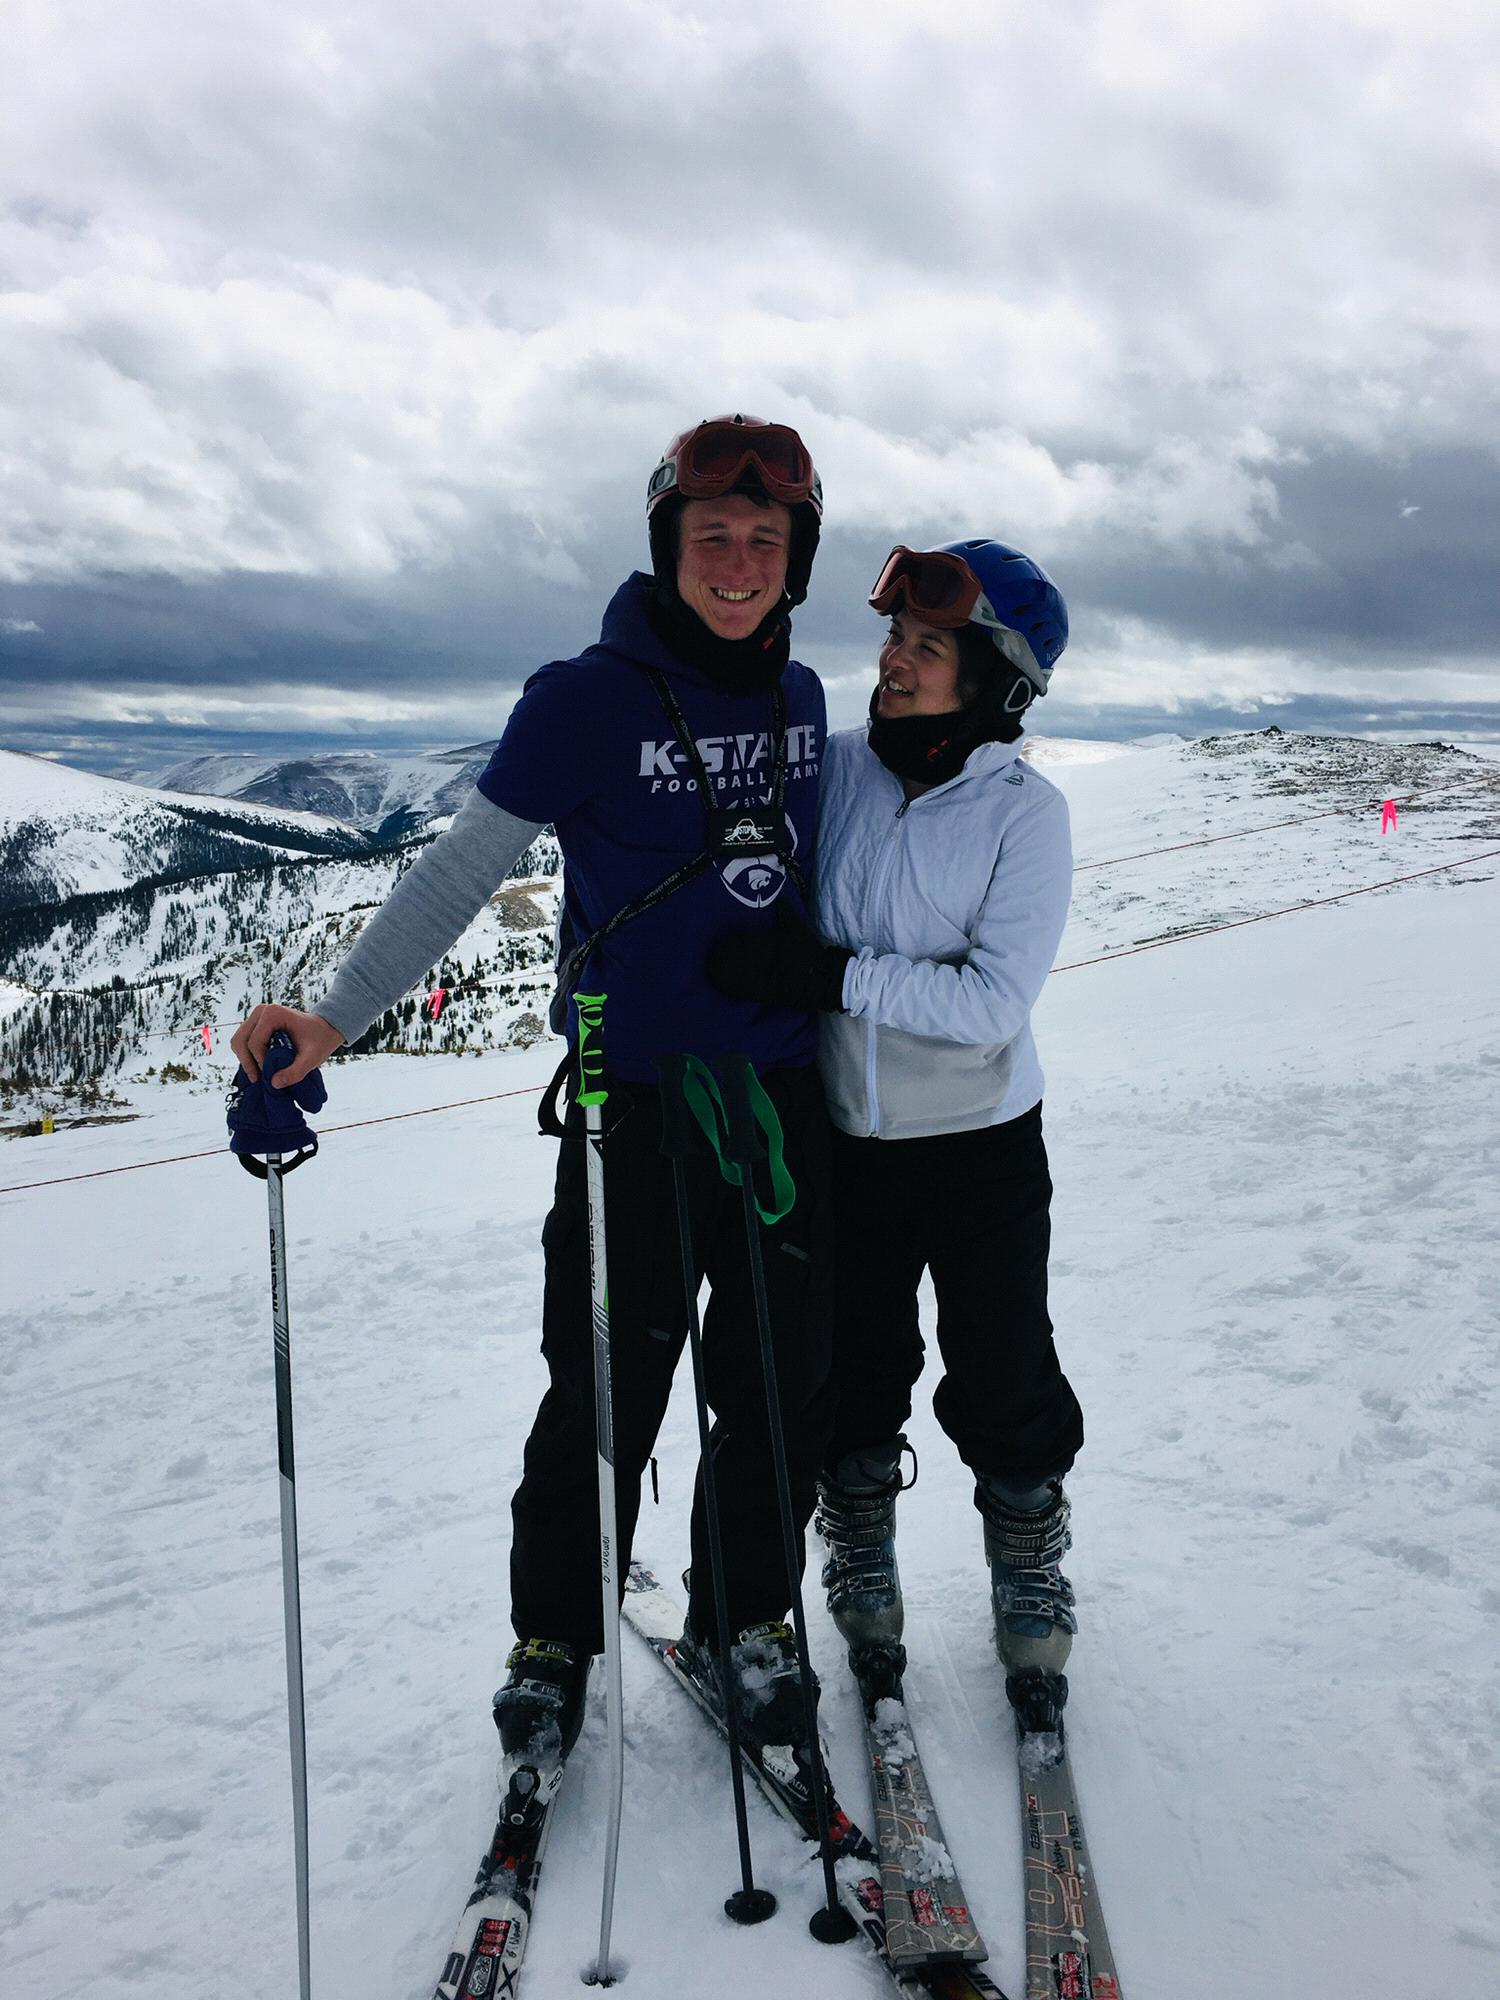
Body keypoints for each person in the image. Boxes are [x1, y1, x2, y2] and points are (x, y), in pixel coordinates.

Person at [231, 415, 843, 1801]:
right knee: (606, 1387)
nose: (739, 563)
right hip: (633, 1105)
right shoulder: (586, 699)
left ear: (796, 556)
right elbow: (457, 874)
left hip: (782, 1102)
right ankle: (553, 1641)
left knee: (771, 1388)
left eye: (765, 539)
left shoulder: (803, 701)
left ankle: (749, 1616)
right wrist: (332, 1016)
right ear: (667, 550)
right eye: (712, 539)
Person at [707, 538, 1081, 1712]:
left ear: (995, 682)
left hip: (980, 1149)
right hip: (844, 1145)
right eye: (896, 640)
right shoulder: (843, 768)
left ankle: (1026, 1549)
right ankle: (858, 1536)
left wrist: (832, 977)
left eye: (928, 648)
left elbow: (989, 1006)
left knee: (1003, 1362)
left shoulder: (1027, 815)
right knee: (856, 1365)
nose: (894, 662)